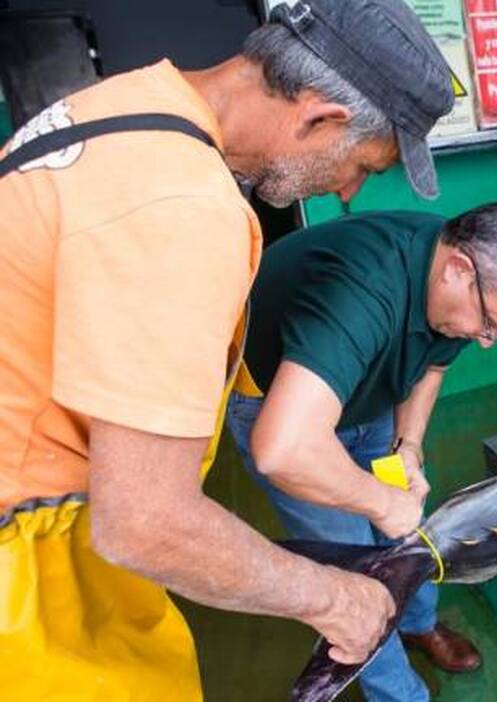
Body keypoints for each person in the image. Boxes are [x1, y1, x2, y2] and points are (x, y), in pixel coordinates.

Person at [0, 0, 458, 698]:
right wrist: (335, 600)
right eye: (361, 164)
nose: (347, 192)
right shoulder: (182, 207)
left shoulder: (118, 104)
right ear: (319, 118)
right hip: (31, 573)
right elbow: (147, 524)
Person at [226, 201, 497, 702]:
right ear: (459, 270)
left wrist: (407, 446)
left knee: (408, 529)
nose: (489, 343)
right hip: (289, 417)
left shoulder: (456, 283)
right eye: (492, 328)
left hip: (373, 407)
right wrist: (380, 502)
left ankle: (419, 624)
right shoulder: (362, 290)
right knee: (357, 575)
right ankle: (400, 694)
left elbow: (432, 364)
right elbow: (284, 449)